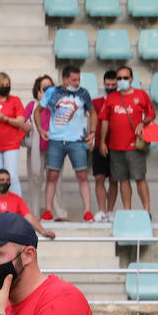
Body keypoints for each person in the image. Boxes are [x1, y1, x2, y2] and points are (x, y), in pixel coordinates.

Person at [40, 65, 96, 223]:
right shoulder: (52, 92)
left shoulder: (84, 93)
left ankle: (87, 212)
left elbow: (93, 112)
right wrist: (41, 129)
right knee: (52, 175)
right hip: (56, 140)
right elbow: (38, 110)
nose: (77, 83)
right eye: (74, 80)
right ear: (65, 79)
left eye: (79, 79)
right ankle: (48, 211)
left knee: (82, 175)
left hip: (77, 141)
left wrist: (92, 132)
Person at [99, 65, 156, 216]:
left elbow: (151, 114)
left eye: (125, 78)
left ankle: (146, 210)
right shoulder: (111, 98)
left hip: (134, 145)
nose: (122, 80)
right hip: (115, 146)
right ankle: (127, 211)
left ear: (131, 79)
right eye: (119, 78)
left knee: (139, 178)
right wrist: (102, 141)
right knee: (122, 180)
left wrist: (143, 123)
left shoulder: (141, 95)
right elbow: (104, 120)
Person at [89, 68, 119, 222]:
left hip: (117, 146)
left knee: (114, 180)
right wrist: (91, 139)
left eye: (114, 84)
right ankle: (101, 211)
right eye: (108, 84)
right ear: (104, 84)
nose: (111, 87)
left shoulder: (121, 102)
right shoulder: (96, 102)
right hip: (99, 146)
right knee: (99, 178)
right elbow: (91, 120)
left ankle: (110, 211)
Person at [28, 73, 58, 219]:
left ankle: (57, 212)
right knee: (35, 180)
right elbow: (24, 123)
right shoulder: (32, 106)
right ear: (38, 91)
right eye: (44, 88)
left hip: (54, 148)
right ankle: (34, 213)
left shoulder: (58, 105)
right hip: (36, 149)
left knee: (55, 180)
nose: (48, 91)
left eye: (50, 87)